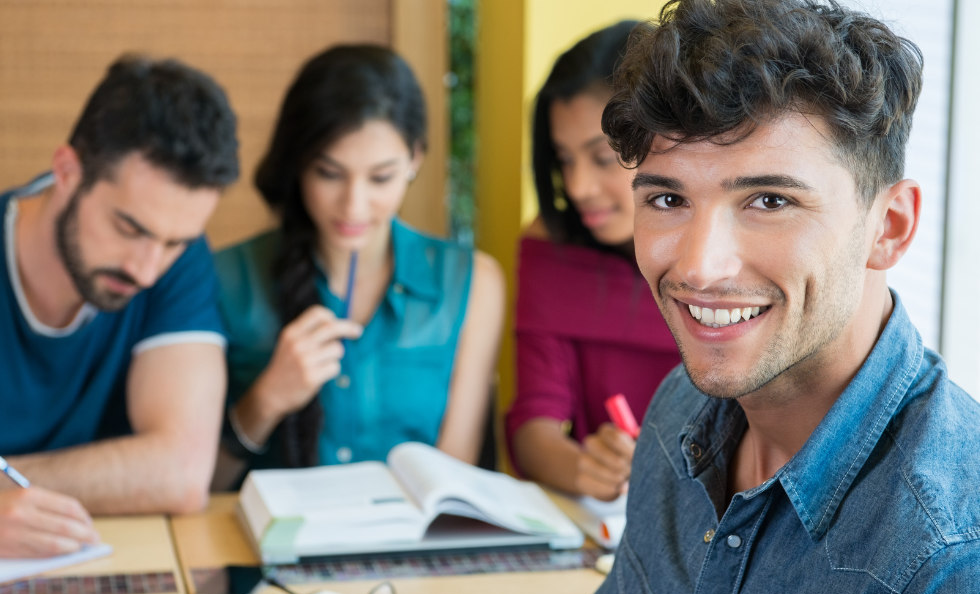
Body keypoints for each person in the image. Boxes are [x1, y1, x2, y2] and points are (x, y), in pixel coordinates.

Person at [555, 0, 980, 594]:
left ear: (889, 228)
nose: (700, 267)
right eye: (668, 199)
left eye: (770, 201)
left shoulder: (948, 557)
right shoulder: (679, 411)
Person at [212, 45, 504, 488]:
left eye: (380, 177)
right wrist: (267, 400)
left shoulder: (473, 284)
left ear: (415, 158)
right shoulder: (225, 277)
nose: (354, 205)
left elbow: (453, 482)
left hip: (409, 553)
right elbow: (200, 484)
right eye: (329, 173)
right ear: (299, 165)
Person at [0, 55, 240, 523]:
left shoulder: (177, 257)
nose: (148, 271)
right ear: (68, 172)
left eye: (174, 242)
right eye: (128, 228)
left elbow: (182, 472)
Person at [505, 21, 680, 501]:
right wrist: (586, 469)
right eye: (564, 160)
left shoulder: (724, 263)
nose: (577, 187)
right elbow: (532, 428)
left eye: (601, 159)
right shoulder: (552, 247)